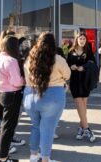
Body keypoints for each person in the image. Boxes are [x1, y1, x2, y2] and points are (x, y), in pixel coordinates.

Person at [24, 32, 71, 162]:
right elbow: (67, 75)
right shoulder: (58, 59)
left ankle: (33, 155)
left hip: (31, 95)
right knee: (48, 129)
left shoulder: (30, 58)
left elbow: (27, 78)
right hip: (53, 96)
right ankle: (45, 159)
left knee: (35, 126)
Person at [0, 36, 25, 162]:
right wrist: (25, 80)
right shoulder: (11, 60)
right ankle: (3, 158)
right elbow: (16, 81)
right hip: (12, 95)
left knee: (2, 126)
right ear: (14, 46)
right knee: (7, 129)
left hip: (0, 94)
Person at [67, 33, 96, 142]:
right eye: (80, 38)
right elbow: (66, 64)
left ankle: (81, 128)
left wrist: (83, 67)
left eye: (84, 39)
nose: (82, 40)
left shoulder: (88, 51)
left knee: (83, 106)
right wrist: (71, 66)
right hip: (74, 81)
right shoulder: (70, 51)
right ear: (77, 39)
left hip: (85, 81)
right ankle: (87, 129)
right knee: (79, 103)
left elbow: (93, 64)